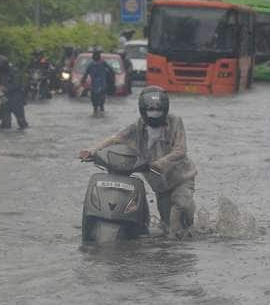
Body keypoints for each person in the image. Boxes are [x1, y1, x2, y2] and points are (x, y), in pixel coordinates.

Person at [79, 86, 197, 238]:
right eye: (150, 110)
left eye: (158, 110)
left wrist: (161, 163)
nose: (154, 114)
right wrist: (92, 151)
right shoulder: (136, 127)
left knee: (182, 204)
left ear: (165, 109)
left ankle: (191, 232)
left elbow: (180, 150)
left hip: (181, 178)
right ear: (142, 110)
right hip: (159, 184)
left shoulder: (175, 122)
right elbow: (115, 139)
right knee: (168, 228)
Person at [0, 55, 28, 129]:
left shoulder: (14, 71)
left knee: (21, 121)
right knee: (5, 123)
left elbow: (17, 84)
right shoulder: (0, 72)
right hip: (5, 99)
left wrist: (6, 88)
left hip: (16, 98)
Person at [80, 50, 115, 115]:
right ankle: (99, 111)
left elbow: (85, 75)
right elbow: (111, 71)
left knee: (97, 104)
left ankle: (97, 111)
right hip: (98, 86)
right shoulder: (99, 64)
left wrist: (82, 82)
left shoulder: (95, 64)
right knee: (98, 104)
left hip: (98, 86)